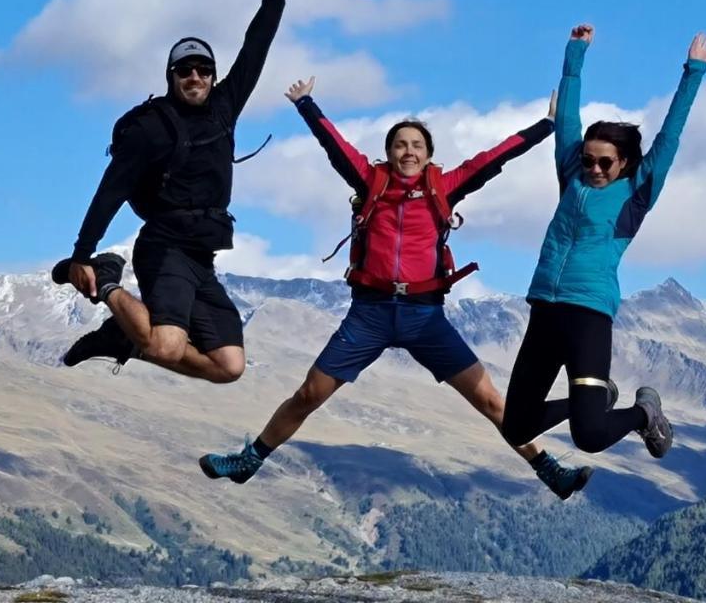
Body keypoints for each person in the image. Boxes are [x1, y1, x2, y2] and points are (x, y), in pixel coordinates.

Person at [198, 75, 594, 499]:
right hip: (370, 313)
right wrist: (306, 104)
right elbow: (335, 145)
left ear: (428, 155)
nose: (408, 151)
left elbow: (492, 159)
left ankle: (550, 471)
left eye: (416, 145)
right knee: (308, 394)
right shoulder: (371, 182)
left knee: (492, 402)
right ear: (388, 152)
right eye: (400, 145)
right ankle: (249, 461)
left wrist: (546, 126)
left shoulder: (445, 187)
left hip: (425, 317)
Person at [52, 0, 288, 384]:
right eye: (185, 70)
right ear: (171, 76)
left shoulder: (225, 105)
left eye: (203, 69)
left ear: (213, 75)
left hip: (202, 253)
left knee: (229, 368)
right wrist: (82, 253)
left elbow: (256, 46)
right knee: (165, 344)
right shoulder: (151, 127)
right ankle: (107, 281)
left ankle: (124, 338)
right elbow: (112, 189)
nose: (195, 76)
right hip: (164, 246)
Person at [500, 24, 706, 461]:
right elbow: (567, 119)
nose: (595, 169)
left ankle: (643, 413)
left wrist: (693, 70)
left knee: (590, 437)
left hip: (588, 316)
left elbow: (669, 137)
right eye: (588, 160)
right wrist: (575, 53)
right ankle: (599, 399)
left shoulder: (635, 194)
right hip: (544, 309)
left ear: (623, 163)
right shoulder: (571, 177)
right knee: (516, 425)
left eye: (605, 162)